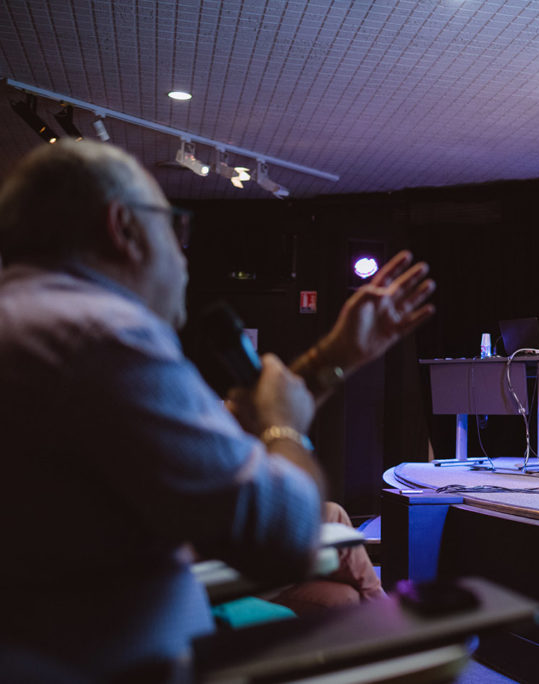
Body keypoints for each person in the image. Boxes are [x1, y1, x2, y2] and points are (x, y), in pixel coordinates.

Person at [0, 140, 434, 680]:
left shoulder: (35, 324)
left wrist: (334, 357)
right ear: (123, 227)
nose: (184, 255)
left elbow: (229, 445)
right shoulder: (105, 336)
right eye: (174, 226)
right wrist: (285, 429)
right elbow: (284, 532)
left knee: (335, 600)